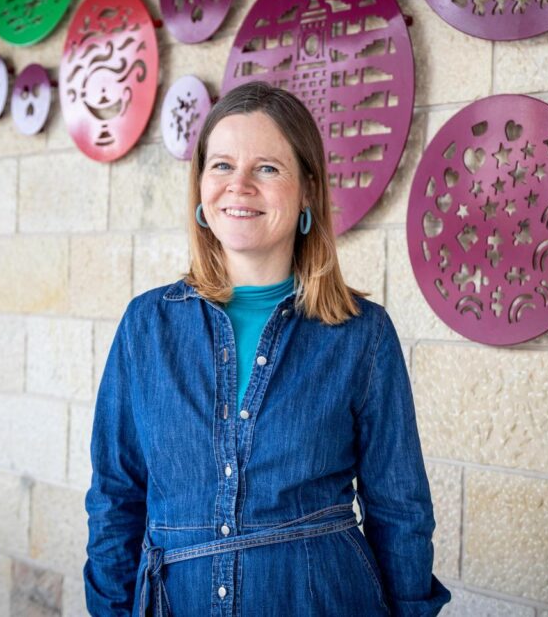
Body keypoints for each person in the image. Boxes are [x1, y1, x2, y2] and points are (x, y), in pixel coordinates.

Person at [84, 81, 451, 616]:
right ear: (200, 191)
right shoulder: (147, 325)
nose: (240, 186)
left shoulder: (361, 334)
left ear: (307, 190)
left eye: (268, 168)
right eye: (222, 165)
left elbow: (401, 510)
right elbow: (115, 497)